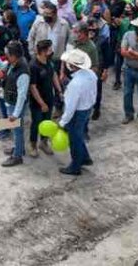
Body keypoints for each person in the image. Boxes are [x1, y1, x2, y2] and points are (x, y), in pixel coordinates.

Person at [58, 48, 97, 176]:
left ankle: (75, 167)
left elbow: (70, 107)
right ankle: (85, 158)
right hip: (87, 108)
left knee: (74, 139)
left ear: (73, 66)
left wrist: (63, 122)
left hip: (77, 112)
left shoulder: (75, 84)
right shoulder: (91, 74)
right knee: (79, 135)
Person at [0, 41, 31, 167]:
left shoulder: (22, 72)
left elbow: (22, 96)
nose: (6, 56)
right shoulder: (13, 64)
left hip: (15, 106)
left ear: (14, 56)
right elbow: (1, 65)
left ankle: (17, 156)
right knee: (17, 129)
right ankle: (19, 148)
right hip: (10, 102)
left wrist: (16, 114)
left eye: (7, 54)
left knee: (17, 130)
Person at [28, 39, 55, 157]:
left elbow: (53, 74)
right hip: (37, 101)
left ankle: (44, 142)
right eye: (49, 49)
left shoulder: (48, 60)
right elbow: (33, 87)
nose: (52, 51)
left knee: (47, 122)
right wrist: (42, 103)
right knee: (36, 123)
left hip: (49, 97)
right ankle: (33, 145)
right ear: (43, 51)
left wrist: (59, 90)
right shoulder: (33, 66)